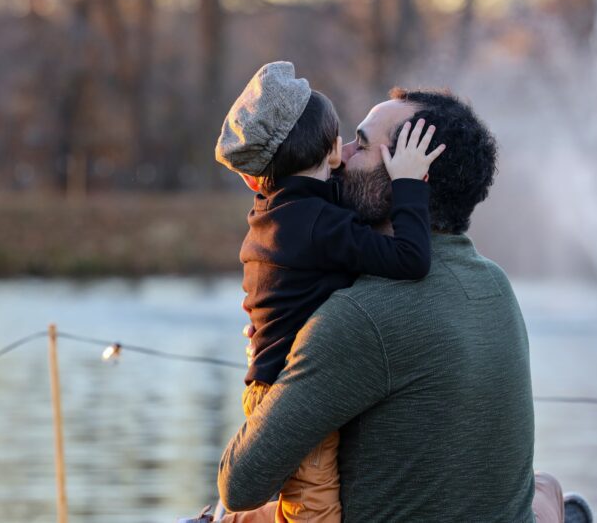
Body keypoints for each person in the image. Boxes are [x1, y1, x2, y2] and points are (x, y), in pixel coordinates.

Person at [215, 88, 574, 522]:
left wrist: (269, 353)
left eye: (361, 144)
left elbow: (240, 484)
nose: (341, 155)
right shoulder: (494, 283)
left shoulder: (360, 317)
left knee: (219, 514)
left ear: (409, 179)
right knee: (545, 486)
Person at [210, 62, 446, 523]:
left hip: (273, 381)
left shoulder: (283, 210)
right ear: (332, 148)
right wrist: (407, 186)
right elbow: (410, 259)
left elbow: (330, 199)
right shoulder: (318, 225)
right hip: (293, 391)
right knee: (314, 514)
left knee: (308, 501)